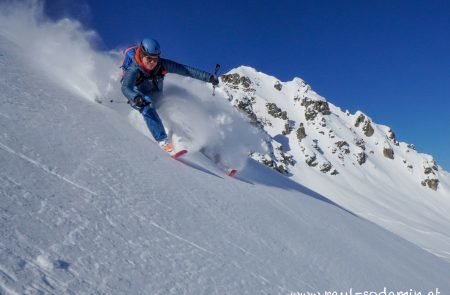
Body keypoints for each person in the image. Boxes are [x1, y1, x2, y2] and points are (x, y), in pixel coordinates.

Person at [121, 38, 219, 153]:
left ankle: (207, 151)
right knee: (147, 104)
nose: (152, 62)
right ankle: (163, 141)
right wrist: (135, 97)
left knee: (177, 111)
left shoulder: (162, 65)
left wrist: (209, 77)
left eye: (155, 59)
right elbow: (126, 87)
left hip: (156, 94)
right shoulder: (134, 69)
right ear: (142, 55)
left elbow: (186, 70)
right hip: (138, 96)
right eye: (149, 58)